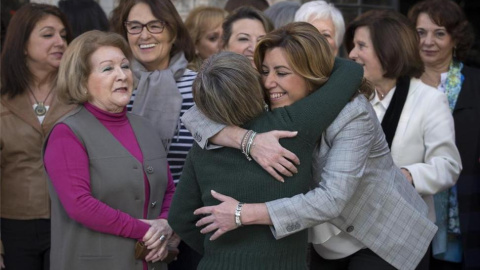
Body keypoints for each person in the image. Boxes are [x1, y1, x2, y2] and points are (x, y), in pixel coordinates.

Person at [175, 22, 437, 270]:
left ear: (312, 73)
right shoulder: (274, 104)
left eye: (282, 72)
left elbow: (331, 198)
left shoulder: (353, 113)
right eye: (264, 72)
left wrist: (242, 213)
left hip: (382, 237)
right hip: (324, 243)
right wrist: (249, 140)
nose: (268, 83)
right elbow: (198, 116)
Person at [43, 30, 175, 270]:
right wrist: (146, 230)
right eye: (108, 69)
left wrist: (166, 223)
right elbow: (79, 204)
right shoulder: (67, 133)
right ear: (82, 81)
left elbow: (169, 190)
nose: (122, 75)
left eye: (125, 66)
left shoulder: (146, 127)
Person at [345, 10, 463, 268]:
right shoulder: (348, 97)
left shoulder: (429, 100)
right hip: (341, 237)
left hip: (398, 237)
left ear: (388, 50)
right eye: (352, 45)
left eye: (361, 45)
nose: (352, 54)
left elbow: (447, 165)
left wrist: (408, 175)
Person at [112, 0, 198, 268]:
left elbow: (209, 164)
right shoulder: (115, 87)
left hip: (189, 227)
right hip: (127, 226)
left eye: (155, 25)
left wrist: (173, 221)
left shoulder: (200, 87)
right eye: (135, 26)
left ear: (173, 31)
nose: (144, 35)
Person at [0, 3, 74, 269]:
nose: (60, 42)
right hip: (13, 224)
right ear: (22, 44)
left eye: (63, 35)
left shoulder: (79, 92)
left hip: (70, 222)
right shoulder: (2, 95)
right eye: (47, 34)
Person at [408, 1, 480, 269]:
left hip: (467, 204)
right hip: (413, 206)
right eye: (420, 32)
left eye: (439, 33)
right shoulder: (401, 85)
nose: (428, 41)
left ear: (455, 38)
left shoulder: (475, 84)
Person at [184, 6, 228, 71]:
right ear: (194, 45)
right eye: (213, 38)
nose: (222, 43)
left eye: (226, 36)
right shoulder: (190, 79)